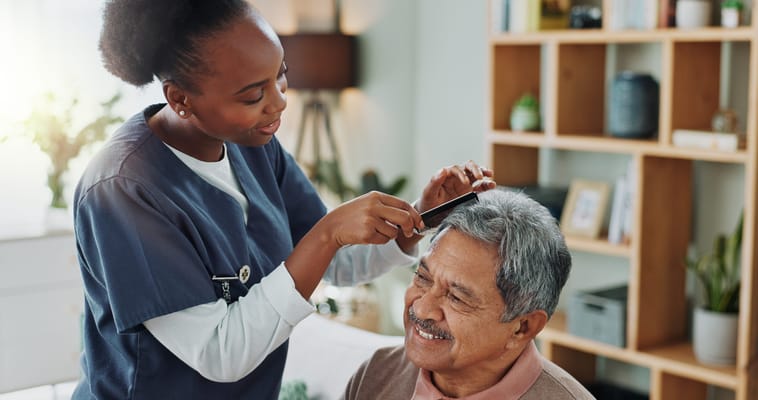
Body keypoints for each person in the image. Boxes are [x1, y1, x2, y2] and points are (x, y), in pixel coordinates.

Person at [72, 1, 495, 399]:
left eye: (280, 74)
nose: (279, 102)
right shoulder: (123, 190)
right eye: (253, 95)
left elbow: (338, 264)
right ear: (179, 98)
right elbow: (221, 354)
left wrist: (421, 214)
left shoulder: (252, 146)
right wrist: (328, 233)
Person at [343, 190, 596, 399]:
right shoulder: (376, 374)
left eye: (457, 298)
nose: (422, 308)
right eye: (423, 278)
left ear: (523, 327)